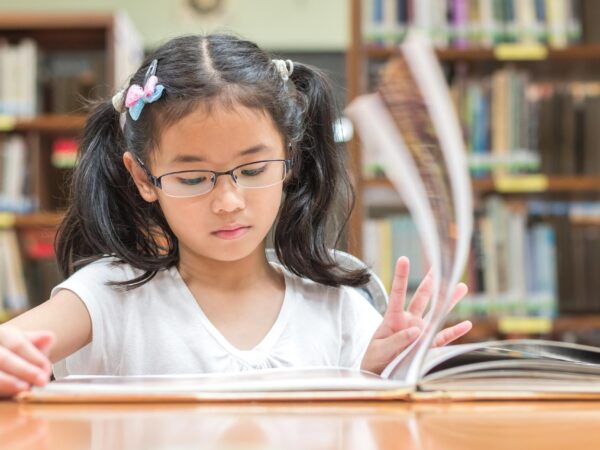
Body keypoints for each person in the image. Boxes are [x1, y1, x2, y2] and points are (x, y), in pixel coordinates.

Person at [0, 34, 472, 397]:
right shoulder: (105, 299)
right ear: (143, 178)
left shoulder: (340, 301)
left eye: (252, 170)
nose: (228, 201)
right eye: (191, 178)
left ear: (291, 159)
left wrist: (377, 378)